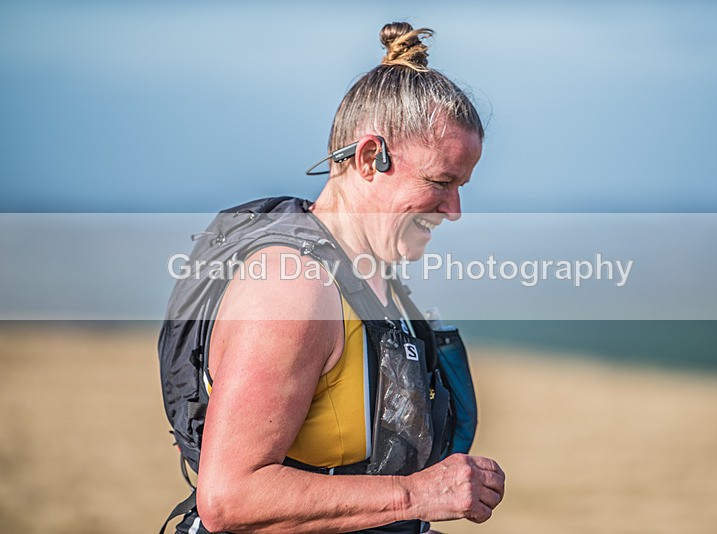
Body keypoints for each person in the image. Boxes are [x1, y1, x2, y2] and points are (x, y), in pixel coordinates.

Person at [175, 22, 505, 533]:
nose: (455, 209)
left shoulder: (369, 276)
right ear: (371, 157)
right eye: (440, 182)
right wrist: (419, 494)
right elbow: (228, 498)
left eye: (461, 186)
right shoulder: (292, 287)